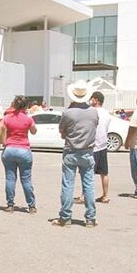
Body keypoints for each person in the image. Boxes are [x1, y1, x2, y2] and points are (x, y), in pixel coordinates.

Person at [52, 81, 99, 227]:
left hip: (71, 151)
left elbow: (62, 132)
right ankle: (90, 218)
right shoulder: (93, 112)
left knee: (68, 184)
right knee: (89, 185)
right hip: (87, 151)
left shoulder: (68, 113)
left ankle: (65, 217)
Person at [0, 95, 36, 213]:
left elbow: (0, 129)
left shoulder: (7, 118)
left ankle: (10, 205)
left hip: (9, 149)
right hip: (23, 149)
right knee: (26, 179)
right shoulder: (28, 119)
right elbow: (34, 131)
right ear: (25, 106)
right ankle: (31, 206)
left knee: (10, 178)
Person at [84, 90, 112, 205]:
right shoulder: (106, 113)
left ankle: (84, 195)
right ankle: (105, 196)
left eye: (92, 98)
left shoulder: (91, 112)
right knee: (104, 173)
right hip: (103, 145)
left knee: (87, 172)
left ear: (96, 100)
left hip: (93, 145)